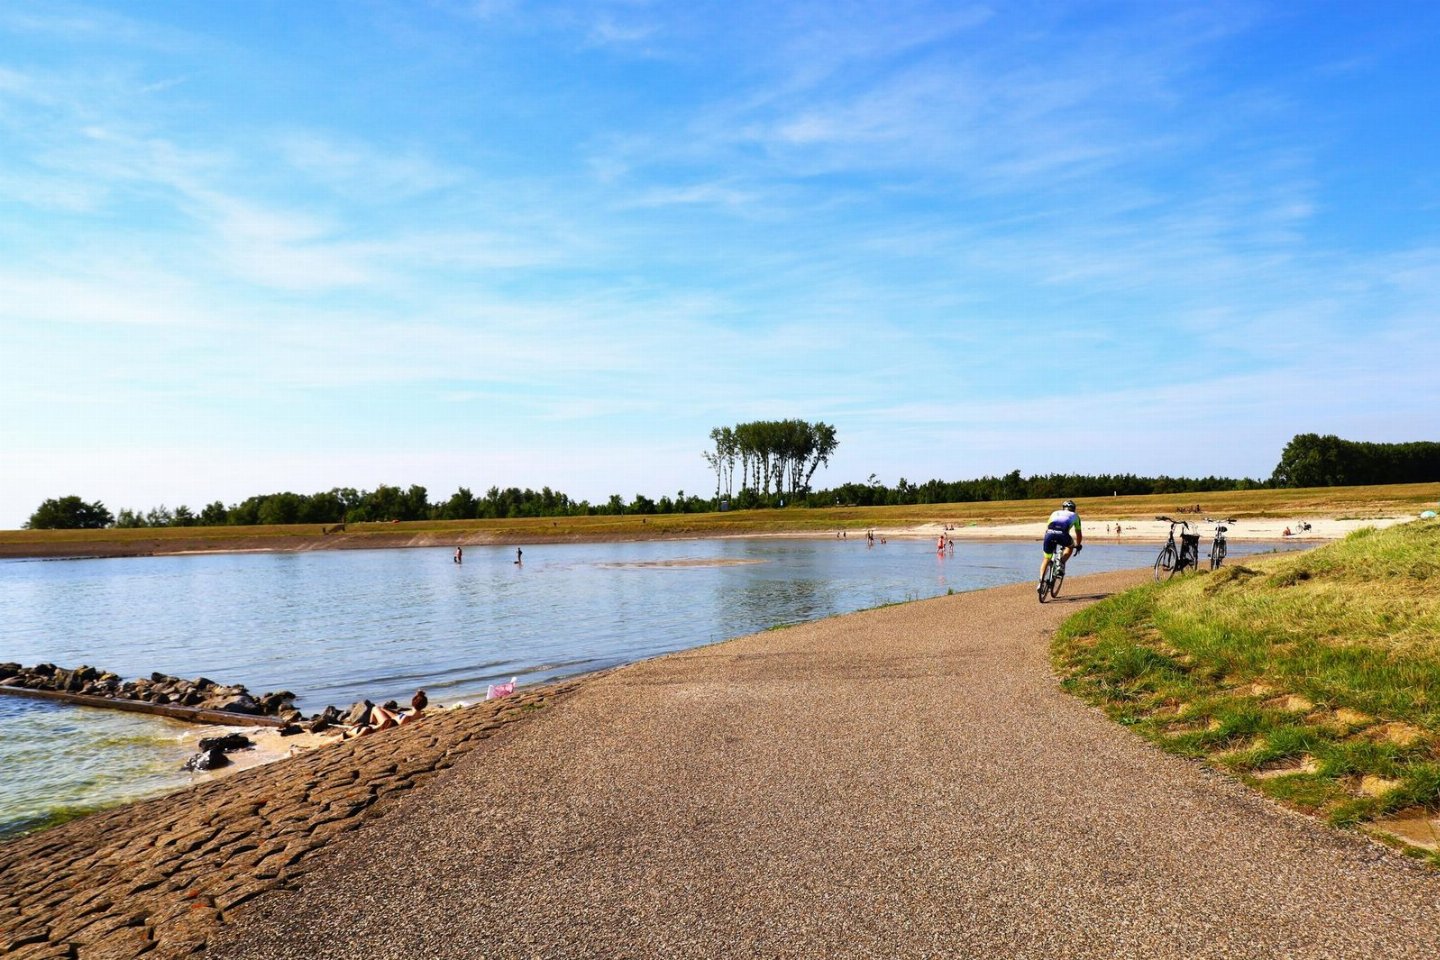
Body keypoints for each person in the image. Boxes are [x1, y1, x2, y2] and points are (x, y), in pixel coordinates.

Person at [1039, 499, 1083, 595]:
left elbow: (1047, 528)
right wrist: (1078, 544)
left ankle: (1040, 582)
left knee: (1046, 558)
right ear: (1074, 509)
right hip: (1063, 535)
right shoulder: (1075, 516)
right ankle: (1061, 563)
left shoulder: (1054, 513)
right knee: (1070, 547)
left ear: (1063, 508)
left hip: (1049, 534)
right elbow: (1078, 534)